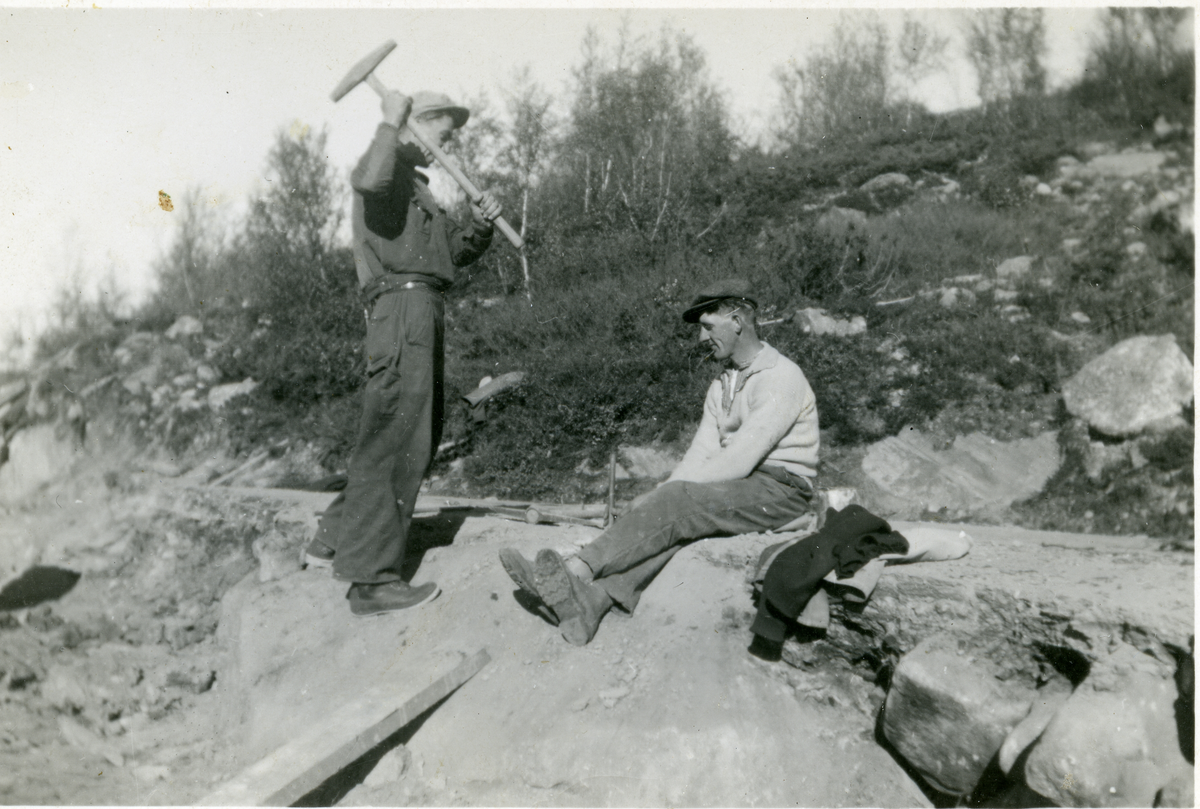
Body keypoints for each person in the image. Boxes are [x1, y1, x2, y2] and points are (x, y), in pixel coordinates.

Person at [499, 279, 820, 645]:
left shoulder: (781, 376)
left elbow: (738, 460)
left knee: (678, 504)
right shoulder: (723, 384)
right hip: (744, 487)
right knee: (672, 524)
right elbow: (701, 452)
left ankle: (574, 572)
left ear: (737, 320)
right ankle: (590, 604)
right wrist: (657, 493)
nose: (701, 339)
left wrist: (664, 496)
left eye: (707, 326)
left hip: (781, 490)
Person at [306, 90, 503, 616]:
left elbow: (447, 257)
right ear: (415, 125)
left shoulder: (417, 187)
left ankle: (332, 537)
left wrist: (481, 227)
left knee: (405, 429)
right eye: (442, 128)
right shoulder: (386, 170)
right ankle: (370, 581)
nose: (449, 139)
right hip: (402, 312)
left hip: (422, 308)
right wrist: (389, 126)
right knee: (398, 435)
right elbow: (367, 178)